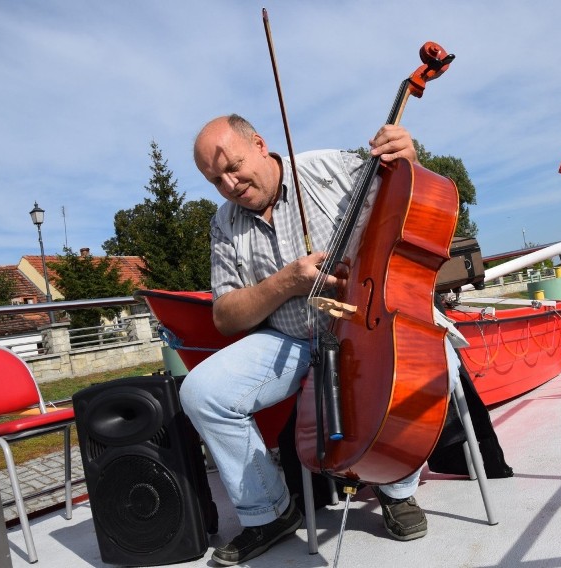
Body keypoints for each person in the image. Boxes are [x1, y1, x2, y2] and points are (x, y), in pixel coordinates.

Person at [179, 114, 461, 566]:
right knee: (200, 392)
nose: (230, 184)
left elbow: (402, 191)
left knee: (432, 360)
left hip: (363, 320)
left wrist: (408, 158)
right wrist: (286, 282)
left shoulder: (328, 167)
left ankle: (396, 488)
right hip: (288, 339)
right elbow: (226, 317)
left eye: (233, 166)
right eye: (216, 179)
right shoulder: (224, 223)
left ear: (259, 143)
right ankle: (268, 512)